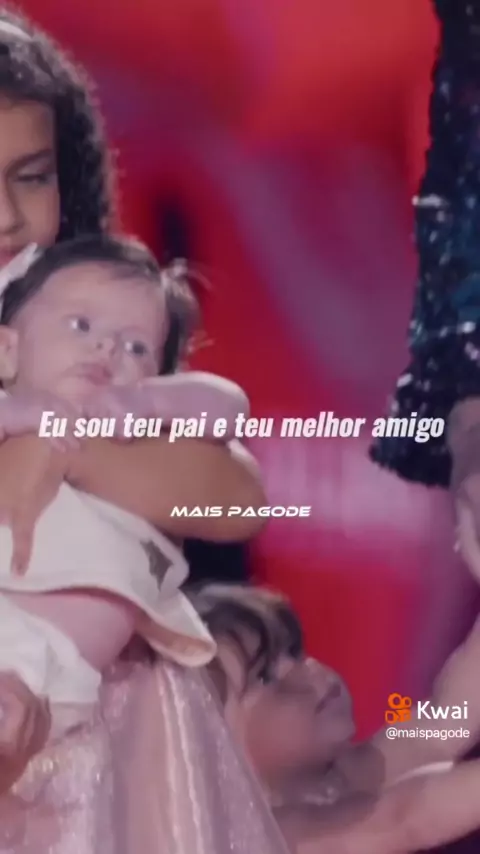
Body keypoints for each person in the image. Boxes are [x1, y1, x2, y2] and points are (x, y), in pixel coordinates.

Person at [0, 9, 287, 853]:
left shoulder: (88, 323)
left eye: (31, 177)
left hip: (119, 744)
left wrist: (51, 442)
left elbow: (236, 499)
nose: (7, 216)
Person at [192, 582, 480, 853]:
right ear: (214, 750)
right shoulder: (268, 836)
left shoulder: (342, 777)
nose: (309, 668)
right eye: (265, 677)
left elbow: (444, 726)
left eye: (294, 652)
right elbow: (404, 820)